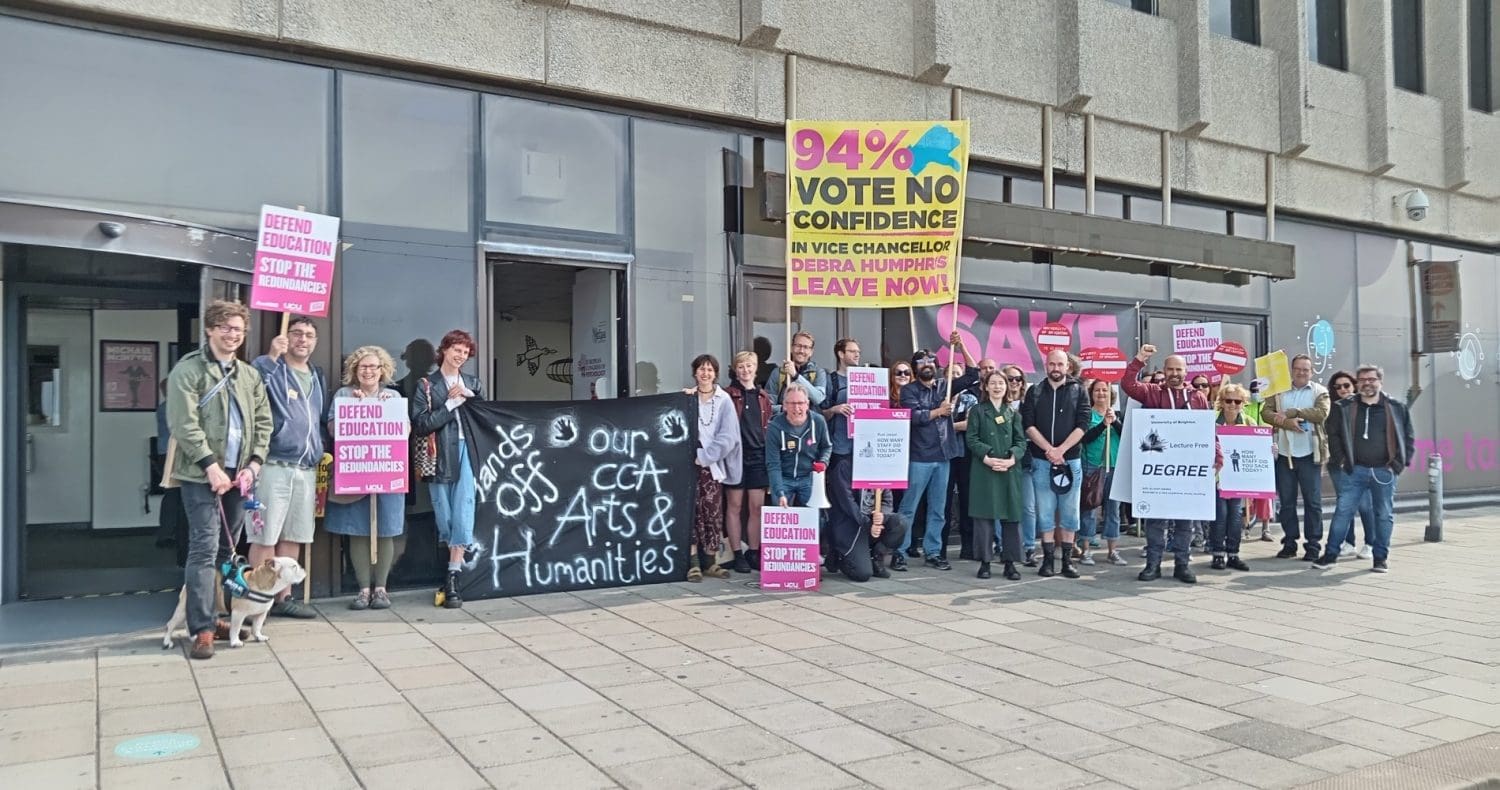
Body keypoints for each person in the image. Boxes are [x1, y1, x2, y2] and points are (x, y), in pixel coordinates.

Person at [166, 300, 272, 660]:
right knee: (204, 548)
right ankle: (202, 629)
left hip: (240, 477)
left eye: (238, 330)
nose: (232, 335)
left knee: (229, 551)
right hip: (200, 475)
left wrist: (254, 464)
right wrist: (209, 464)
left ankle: (222, 616)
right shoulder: (189, 369)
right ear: (210, 329)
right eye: (225, 328)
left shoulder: (249, 374)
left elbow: (263, 423)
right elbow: (182, 421)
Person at [249, 316, 326, 620]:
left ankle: (283, 597)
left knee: (293, 536)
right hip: (273, 465)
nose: (302, 339)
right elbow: (255, 384)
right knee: (265, 536)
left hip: (305, 469)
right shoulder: (270, 368)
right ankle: (256, 597)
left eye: (308, 335)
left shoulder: (317, 376)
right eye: (296, 333)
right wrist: (271, 355)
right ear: (286, 337)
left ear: (315, 342)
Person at [1122, 345, 1217, 584]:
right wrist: (1140, 359)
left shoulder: (1198, 397)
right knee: (1156, 520)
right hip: (1158, 468)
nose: (1175, 373)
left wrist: (1217, 454)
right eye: (1170, 369)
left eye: (1179, 369)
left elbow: (1207, 430)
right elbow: (1128, 385)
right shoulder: (1153, 392)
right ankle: (1152, 564)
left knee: (1185, 518)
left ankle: (1182, 565)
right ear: (1164, 370)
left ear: (1186, 372)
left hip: (1186, 468)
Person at [325, 346, 406, 610]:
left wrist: (384, 409)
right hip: (356, 471)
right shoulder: (344, 394)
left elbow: (404, 431)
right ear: (355, 370)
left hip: (387, 469)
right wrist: (355, 408)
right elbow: (333, 430)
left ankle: (381, 589)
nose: (368, 371)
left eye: (373, 367)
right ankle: (363, 589)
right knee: (358, 530)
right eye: (363, 367)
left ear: (383, 370)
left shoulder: (393, 396)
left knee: (386, 529)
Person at [1315, 365, 1415, 573]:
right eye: (1362, 380)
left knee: (1383, 514)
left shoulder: (1396, 407)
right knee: (1343, 511)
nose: (1367, 383)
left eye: (1371, 379)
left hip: (1384, 471)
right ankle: (1331, 554)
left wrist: (1397, 465)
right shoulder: (1344, 407)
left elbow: (1408, 438)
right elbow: (1332, 434)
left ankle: (1380, 558)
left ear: (1380, 382)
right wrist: (1342, 461)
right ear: (1358, 383)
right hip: (1354, 470)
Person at [411, 329, 483, 609]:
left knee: (465, 505)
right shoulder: (427, 385)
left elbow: (486, 418)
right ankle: (455, 568)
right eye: (457, 349)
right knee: (445, 510)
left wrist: (471, 397)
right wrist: (452, 404)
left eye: (465, 352)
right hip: (439, 453)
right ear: (444, 350)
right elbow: (421, 424)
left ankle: (453, 575)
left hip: (468, 451)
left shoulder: (474, 382)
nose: (461, 355)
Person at [896, 335, 978, 570]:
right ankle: (900, 551)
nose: (928, 364)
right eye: (922, 362)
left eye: (931, 360)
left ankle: (933, 552)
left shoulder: (945, 385)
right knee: (909, 508)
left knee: (938, 509)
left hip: (943, 456)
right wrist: (939, 411)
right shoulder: (908, 391)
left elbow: (973, 375)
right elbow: (914, 417)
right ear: (915, 368)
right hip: (919, 457)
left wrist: (961, 346)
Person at [1020, 350, 1090, 579]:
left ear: (1067, 366)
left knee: (1070, 511)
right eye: (1052, 364)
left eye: (1060, 364)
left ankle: (1068, 561)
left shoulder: (1079, 390)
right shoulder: (1035, 391)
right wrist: (1049, 450)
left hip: (1070, 460)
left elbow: (1083, 424)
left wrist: (1061, 450)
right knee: (1045, 511)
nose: (1056, 368)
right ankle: (1048, 560)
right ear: (1046, 365)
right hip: (1042, 460)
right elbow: (1028, 424)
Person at [1262, 354, 1330, 561]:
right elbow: (1266, 413)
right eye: (1298, 368)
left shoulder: (1320, 391)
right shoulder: (1278, 391)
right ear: (1291, 370)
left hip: (1310, 455)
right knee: (1287, 503)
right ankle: (1289, 543)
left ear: (1312, 371)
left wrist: (1293, 412)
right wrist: (1286, 423)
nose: (1301, 372)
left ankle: (1313, 546)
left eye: (1305, 369)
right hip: (1285, 455)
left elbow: (1321, 413)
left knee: (1313, 503)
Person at [965, 370, 1027, 580]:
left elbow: (1021, 442)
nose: (998, 387)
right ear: (986, 387)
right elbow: (971, 439)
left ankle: (1010, 563)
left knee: (1011, 517)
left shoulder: (1013, 413)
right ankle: (984, 562)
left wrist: (1011, 459)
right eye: (993, 383)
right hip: (985, 470)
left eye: (1001, 383)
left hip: (1009, 471)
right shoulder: (978, 411)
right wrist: (987, 457)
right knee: (984, 518)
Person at [686, 354, 741, 582]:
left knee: (712, 513)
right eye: (701, 369)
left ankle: (710, 560)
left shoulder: (724, 400)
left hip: (712, 466)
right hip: (689, 466)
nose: (705, 373)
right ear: (695, 372)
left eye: (709, 369)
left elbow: (728, 437)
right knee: (692, 514)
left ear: (715, 373)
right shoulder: (688, 398)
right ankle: (693, 562)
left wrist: (705, 457)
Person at [822, 338, 867, 576]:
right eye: (852, 351)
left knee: (862, 499)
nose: (857, 355)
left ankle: (862, 549)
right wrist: (836, 410)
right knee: (840, 504)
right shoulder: (831, 380)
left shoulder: (867, 378)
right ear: (840, 354)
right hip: (840, 450)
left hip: (864, 450)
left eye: (858, 351)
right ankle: (836, 552)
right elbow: (821, 413)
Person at [725, 351, 772, 573]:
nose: (746, 370)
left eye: (750, 365)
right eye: (741, 366)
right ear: (736, 369)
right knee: (734, 505)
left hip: (758, 456)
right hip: (735, 456)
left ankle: (753, 551)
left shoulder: (763, 397)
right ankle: (736, 553)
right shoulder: (727, 394)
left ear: (756, 368)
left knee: (756, 507)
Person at [1077, 378, 1126, 566]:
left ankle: (1113, 550)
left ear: (1110, 393)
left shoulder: (1117, 414)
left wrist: (1114, 422)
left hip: (1113, 465)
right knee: (1089, 508)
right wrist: (1102, 425)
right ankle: (1086, 549)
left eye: (1104, 390)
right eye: (1097, 391)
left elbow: (1125, 435)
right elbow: (1086, 438)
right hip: (1093, 465)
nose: (1101, 394)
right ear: (1091, 394)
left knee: (1113, 510)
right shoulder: (1087, 415)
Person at [1326, 370, 1375, 558]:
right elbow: (1333, 437)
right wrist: (1341, 461)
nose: (1342, 389)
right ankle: (1349, 542)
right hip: (1340, 466)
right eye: (1337, 387)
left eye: (1346, 385)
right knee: (1344, 505)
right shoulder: (1334, 408)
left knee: (1364, 505)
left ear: (1354, 385)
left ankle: (1371, 544)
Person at [948, 358, 994, 561]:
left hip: (979, 454)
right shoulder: (961, 395)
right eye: (984, 368)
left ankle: (977, 546)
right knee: (955, 500)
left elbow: (973, 424)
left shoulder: (989, 395)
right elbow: (961, 423)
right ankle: (956, 548)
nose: (986, 372)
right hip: (955, 454)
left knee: (974, 501)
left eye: (990, 368)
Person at [1210, 383, 1258, 572]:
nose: (1232, 404)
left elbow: (1257, 448)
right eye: (1228, 400)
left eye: (1237, 401)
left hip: (1238, 480)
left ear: (1243, 403)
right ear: (1221, 402)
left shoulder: (1249, 422)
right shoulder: (1212, 420)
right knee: (1220, 516)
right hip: (1217, 478)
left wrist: (1270, 449)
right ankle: (1217, 553)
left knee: (1236, 517)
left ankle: (1234, 554)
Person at [765, 383, 830, 508]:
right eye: (792, 403)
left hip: (808, 476)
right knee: (780, 516)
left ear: (807, 404)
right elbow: (773, 464)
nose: (797, 408)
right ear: (784, 405)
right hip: (784, 477)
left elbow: (826, 446)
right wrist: (779, 493)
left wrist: (823, 461)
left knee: (816, 517)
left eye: (800, 403)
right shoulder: (774, 427)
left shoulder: (819, 421)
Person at [1001, 365, 1039, 565]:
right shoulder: (996, 404)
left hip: (1024, 461)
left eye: (1018, 379)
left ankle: (1029, 547)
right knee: (1001, 506)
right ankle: (1001, 546)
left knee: (1028, 507)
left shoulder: (1029, 405)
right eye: (1009, 378)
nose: (1014, 382)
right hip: (999, 462)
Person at [844, 488, 909, 581]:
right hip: (853, 525)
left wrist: (882, 516)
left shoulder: (879, 475)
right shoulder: (848, 474)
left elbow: (887, 501)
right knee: (862, 574)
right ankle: (842, 558)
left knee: (900, 522)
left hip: (873, 520)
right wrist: (866, 523)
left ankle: (876, 556)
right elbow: (848, 503)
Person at [767, 330, 827, 410]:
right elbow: (768, 405)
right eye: (798, 346)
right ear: (791, 347)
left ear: (811, 352)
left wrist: (795, 376)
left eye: (806, 347)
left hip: (809, 421)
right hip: (783, 420)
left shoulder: (819, 373)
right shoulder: (778, 373)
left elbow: (818, 398)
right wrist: (783, 409)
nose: (801, 351)